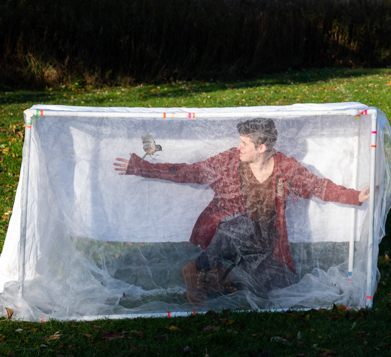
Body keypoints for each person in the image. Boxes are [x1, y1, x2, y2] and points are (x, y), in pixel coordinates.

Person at [113, 117, 371, 305]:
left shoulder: (285, 167)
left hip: (262, 246)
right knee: (243, 225)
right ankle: (197, 269)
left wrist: (355, 196)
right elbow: (191, 171)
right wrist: (141, 168)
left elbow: (317, 186)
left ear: (262, 148)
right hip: (228, 233)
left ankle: (219, 279)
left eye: (244, 143)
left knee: (279, 291)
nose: (239, 147)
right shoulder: (228, 162)